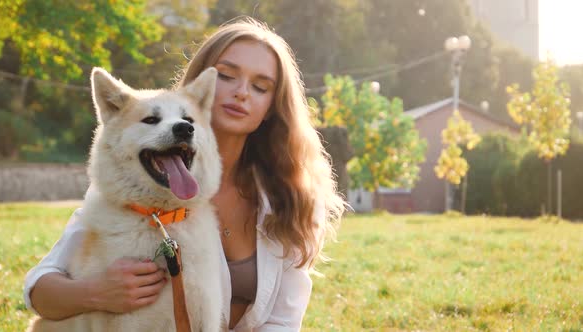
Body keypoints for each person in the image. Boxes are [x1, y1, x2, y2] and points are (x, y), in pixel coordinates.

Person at [24, 17, 345, 331]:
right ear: (199, 88)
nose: (242, 93)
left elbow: (283, 322)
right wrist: (97, 292)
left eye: (260, 87)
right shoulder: (134, 187)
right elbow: (40, 290)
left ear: (271, 108)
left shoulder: (292, 194)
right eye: (227, 77)